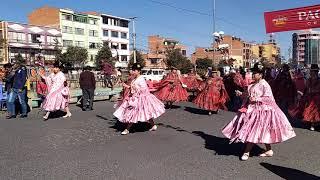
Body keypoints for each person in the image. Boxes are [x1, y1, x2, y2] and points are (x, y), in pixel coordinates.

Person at [222, 62, 296, 161]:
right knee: (262, 130)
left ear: (260, 74)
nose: (253, 75)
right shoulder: (253, 84)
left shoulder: (265, 84)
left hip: (262, 111)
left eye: (255, 73)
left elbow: (269, 98)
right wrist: (241, 94)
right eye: (253, 73)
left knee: (254, 129)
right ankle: (269, 150)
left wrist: (257, 99)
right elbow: (248, 95)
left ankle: (246, 152)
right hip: (252, 109)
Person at [113, 63, 165, 135]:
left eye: (134, 70)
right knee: (146, 112)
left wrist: (133, 88)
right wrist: (126, 86)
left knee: (133, 113)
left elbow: (143, 90)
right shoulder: (135, 79)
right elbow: (133, 88)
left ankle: (127, 129)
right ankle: (153, 125)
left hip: (141, 98)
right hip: (136, 97)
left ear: (138, 71)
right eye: (133, 70)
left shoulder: (141, 79)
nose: (133, 72)